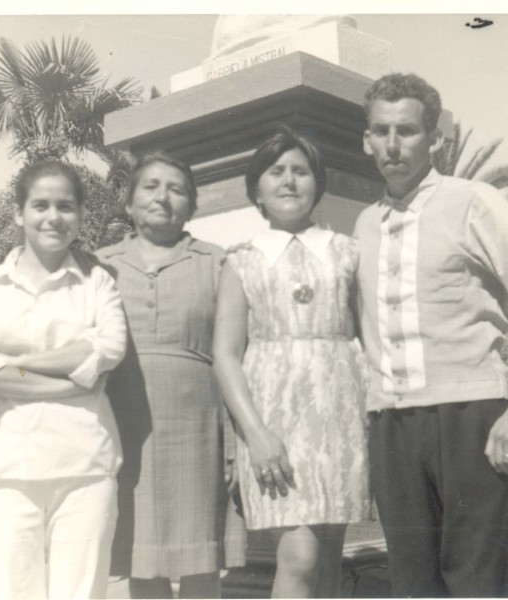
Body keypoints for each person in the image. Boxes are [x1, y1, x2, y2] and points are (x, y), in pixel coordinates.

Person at [354, 72, 508, 597]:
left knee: (476, 579)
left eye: (408, 130)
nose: (393, 145)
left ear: (436, 138)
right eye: (381, 131)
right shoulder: (363, 225)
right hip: (393, 422)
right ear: (366, 138)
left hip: (473, 415)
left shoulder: (475, 202)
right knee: (412, 581)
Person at [0, 161, 127, 600]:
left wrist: (13, 363)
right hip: (3, 466)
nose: (54, 217)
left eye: (66, 206)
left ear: (80, 216)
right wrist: (69, 383)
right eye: (40, 205)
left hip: (86, 464)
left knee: (82, 594)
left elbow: (107, 349)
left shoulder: (97, 283)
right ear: (18, 213)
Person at [213, 127, 369, 598]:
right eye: (275, 171)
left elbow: (367, 333)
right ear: (256, 189)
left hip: (341, 416)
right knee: (298, 557)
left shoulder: (347, 252)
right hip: (273, 423)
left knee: (327, 558)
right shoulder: (242, 261)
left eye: (300, 171)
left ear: (317, 183)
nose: (288, 180)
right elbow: (225, 354)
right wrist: (255, 435)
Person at [95, 152, 245, 599]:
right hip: (125, 426)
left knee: (201, 562)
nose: (163, 197)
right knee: (143, 561)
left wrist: (236, 442)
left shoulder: (219, 263)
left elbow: (236, 355)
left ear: (192, 206)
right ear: (128, 202)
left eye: (176, 189)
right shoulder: (98, 265)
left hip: (198, 426)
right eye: (151, 186)